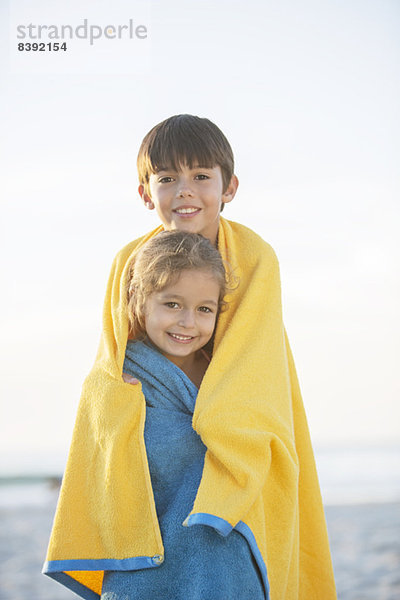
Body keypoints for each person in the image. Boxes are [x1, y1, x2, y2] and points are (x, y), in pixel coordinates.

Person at [43, 114, 337, 600]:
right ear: (144, 192)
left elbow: (250, 356)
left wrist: (214, 423)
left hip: (229, 411)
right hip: (158, 412)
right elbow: (112, 354)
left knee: (234, 525)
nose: (185, 191)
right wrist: (123, 400)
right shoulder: (129, 260)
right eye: (167, 179)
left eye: (201, 176)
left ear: (230, 187)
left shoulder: (252, 256)